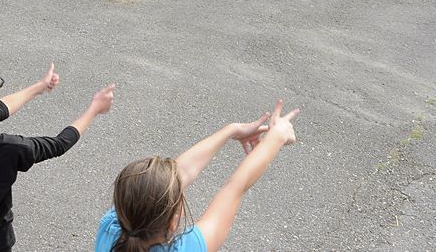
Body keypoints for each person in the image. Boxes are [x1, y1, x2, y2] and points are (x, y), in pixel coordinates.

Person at [0, 52, 115, 251]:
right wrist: (94, 108)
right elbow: (59, 144)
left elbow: (1, 109)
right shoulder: (6, 149)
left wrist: (39, 87)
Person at [94, 100, 300, 252]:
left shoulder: (110, 229)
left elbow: (174, 178)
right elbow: (236, 187)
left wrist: (232, 130)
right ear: (173, 223)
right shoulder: (187, 248)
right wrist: (277, 136)